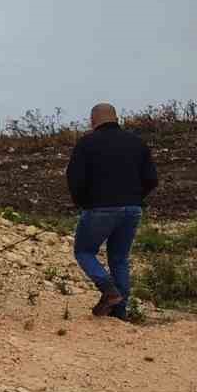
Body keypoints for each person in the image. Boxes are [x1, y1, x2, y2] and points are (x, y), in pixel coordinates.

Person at [66, 103, 159, 320]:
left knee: (84, 252)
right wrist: (136, 198)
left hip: (99, 208)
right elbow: (152, 180)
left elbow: (74, 179)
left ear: (93, 120)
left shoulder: (86, 144)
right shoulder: (137, 143)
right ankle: (120, 313)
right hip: (132, 209)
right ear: (116, 118)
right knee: (119, 258)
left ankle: (108, 290)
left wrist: (82, 202)